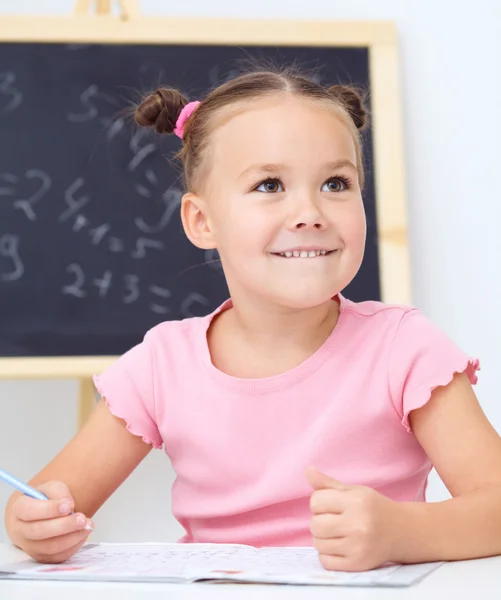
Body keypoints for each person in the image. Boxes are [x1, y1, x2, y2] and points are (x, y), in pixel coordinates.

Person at [5, 67, 501, 572]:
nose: (310, 212)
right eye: (269, 184)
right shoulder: (161, 364)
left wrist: (401, 533)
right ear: (202, 221)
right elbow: (46, 501)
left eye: (336, 182)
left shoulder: (405, 349)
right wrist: (35, 525)